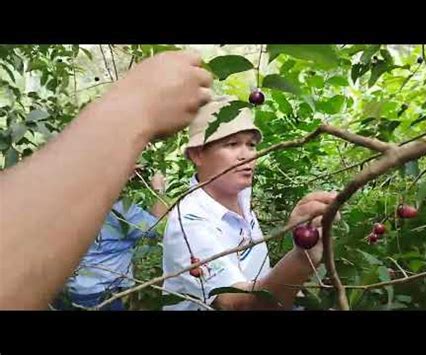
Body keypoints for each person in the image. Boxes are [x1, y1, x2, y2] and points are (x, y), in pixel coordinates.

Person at [0, 50, 213, 310]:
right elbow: (157, 228)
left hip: (62, 295)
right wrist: (158, 187)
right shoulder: (120, 211)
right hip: (106, 298)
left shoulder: (60, 203)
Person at [162, 97, 338, 310]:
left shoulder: (241, 198)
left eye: (251, 145)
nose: (246, 156)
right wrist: (300, 259)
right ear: (197, 154)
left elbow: (259, 277)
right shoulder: (189, 222)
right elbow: (238, 304)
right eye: (232, 144)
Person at [51, 170, 167, 311]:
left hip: (64, 291)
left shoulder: (65, 200)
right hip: (100, 296)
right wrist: (159, 190)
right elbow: (157, 228)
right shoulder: (120, 208)